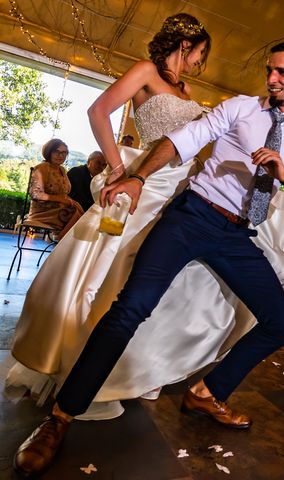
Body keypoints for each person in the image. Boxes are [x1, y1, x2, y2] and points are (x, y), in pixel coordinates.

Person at [13, 41, 284, 478]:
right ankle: (60, 419)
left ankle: (207, 392)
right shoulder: (240, 108)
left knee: (282, 322)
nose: (273, 78)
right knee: (131, 308)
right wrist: (137, 178)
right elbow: (181, 141)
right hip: (194, 215)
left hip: (238, 235)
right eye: (270, 70)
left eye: (282, 72)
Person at [8, 13, 213, 416]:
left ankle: (137, 366)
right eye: (201, 53)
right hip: (140, 186)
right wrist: (120, 169)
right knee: (111, 271)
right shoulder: (145, 71)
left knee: (153, 279)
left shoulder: (187, 89)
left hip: (173, 191)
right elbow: (98, 111)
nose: (200, 63)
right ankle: (81, 363)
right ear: (185, 45)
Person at [26, 139, 84, 239]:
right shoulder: (42, 168)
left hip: (59, 209)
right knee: (75, 213)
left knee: (81, 212)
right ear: (49, 152)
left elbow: (65, 193)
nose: (60, 155)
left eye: (64, 152)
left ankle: (65, 246)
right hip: (42, 212)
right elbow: (35, 194)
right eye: (56, 151)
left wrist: (69, 201)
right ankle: (61, 243)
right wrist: (61, 199)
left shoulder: (62, 170)